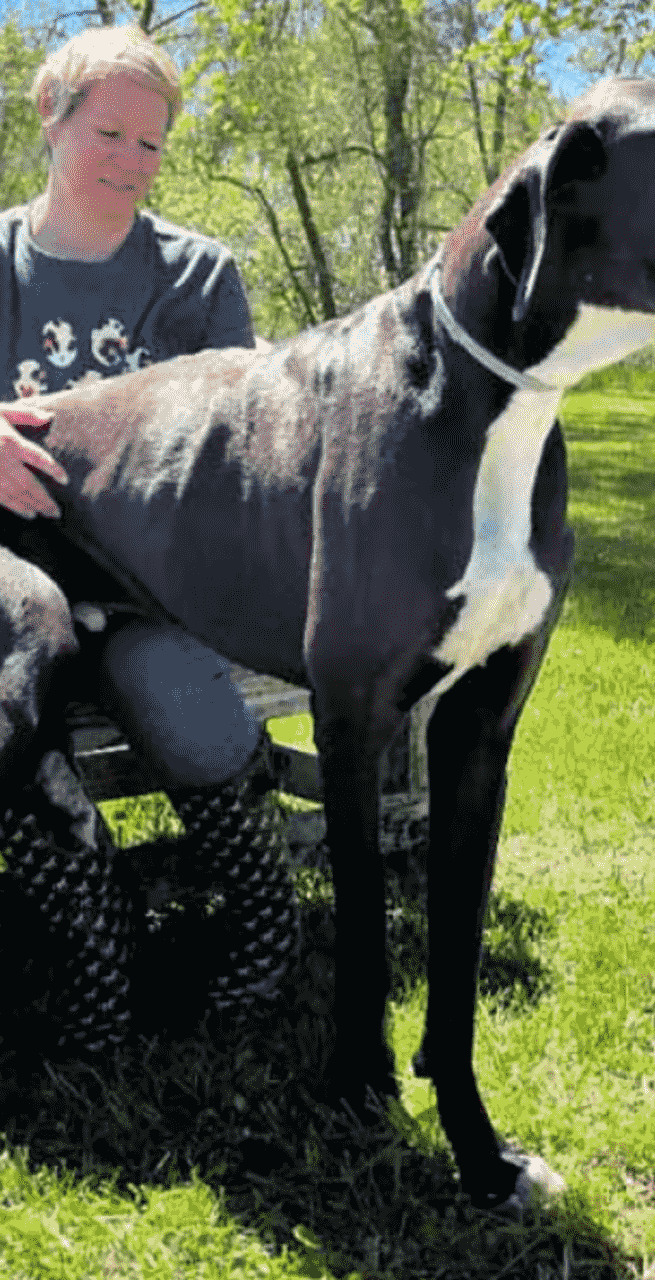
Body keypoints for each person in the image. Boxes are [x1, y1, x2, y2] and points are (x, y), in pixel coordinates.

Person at [0, 26, 295, 1056]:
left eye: (153, 144)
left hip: (142, 572)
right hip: (8, 568)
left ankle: (266, 918)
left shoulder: (196, 274)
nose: (130, 161)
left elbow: (245, 444)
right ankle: (97, 930)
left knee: (175, 689)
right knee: (12, 653)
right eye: (110, 132)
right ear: (52, 115)